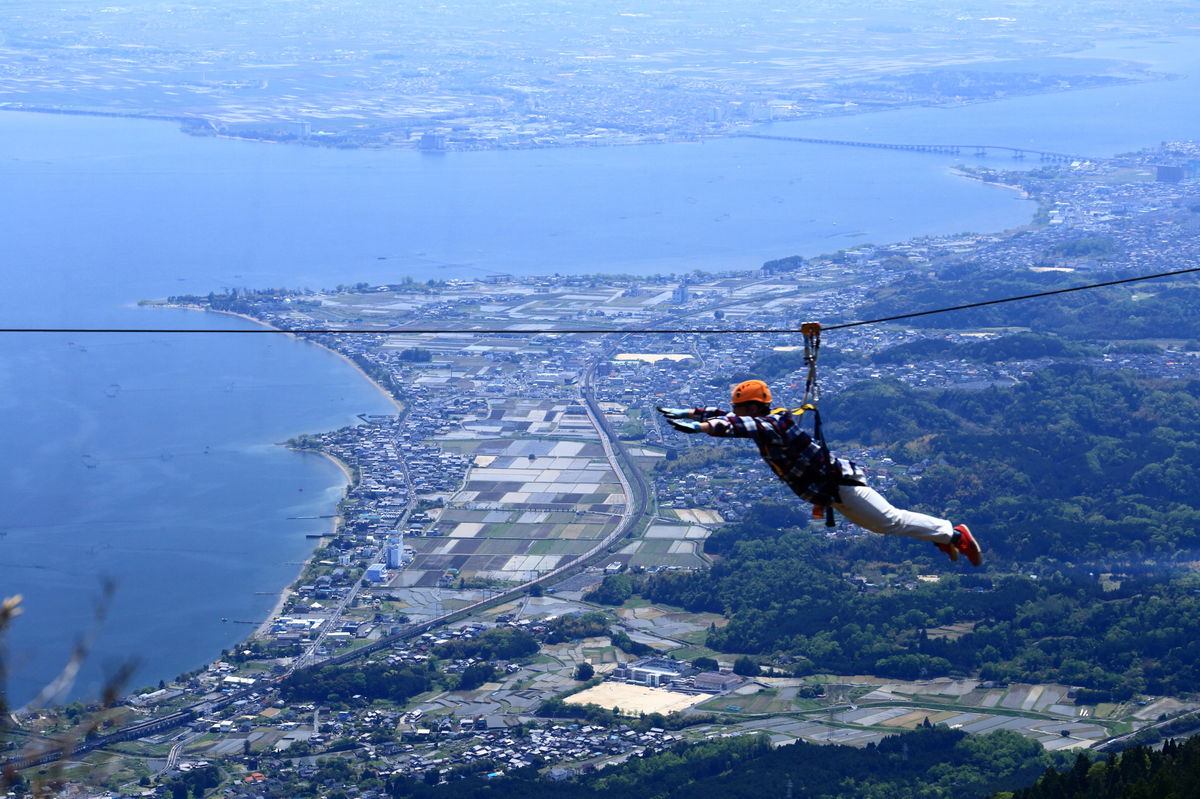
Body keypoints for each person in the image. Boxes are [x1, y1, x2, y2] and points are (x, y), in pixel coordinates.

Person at [658, 379, 982, 566]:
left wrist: (703, 428)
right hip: (834, 489)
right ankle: (941, 534)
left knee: (889, 523)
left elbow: (737, 424)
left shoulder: (774, 425)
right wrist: (690, 413)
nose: (735, 411)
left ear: (754, 408)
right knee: (886, 523)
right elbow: (728, 416)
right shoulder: (769, 420)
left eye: (741, 407)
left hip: (843, 487)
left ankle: (954, 535)